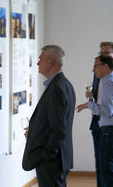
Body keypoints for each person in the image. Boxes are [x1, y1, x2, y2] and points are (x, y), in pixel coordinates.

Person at [22, 45, 76, 187]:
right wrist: (34, 130)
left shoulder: (57, 88)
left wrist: (47, 155)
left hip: (52, 160)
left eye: (41, 59)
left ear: (51, 62)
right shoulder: (64, 84)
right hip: (58, 157)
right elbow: (53, 121)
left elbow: (58, 129)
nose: (38, 63)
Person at [76, 55, 113, 187]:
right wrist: (91, 101)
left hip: (111, 134)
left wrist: (88, 105)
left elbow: (107, 111)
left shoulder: (108, 82)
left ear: (106, 67)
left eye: (96, 66)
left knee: (107, 175)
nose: (93, 70)